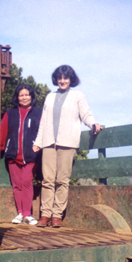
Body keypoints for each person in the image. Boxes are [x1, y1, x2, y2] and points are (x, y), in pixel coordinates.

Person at [33, 65, 102, 227]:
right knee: (47, 180)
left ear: (71, 79)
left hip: (67, 143)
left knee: (62, 180)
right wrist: (38, 142)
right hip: (49, 142)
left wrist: (92, 123)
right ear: (56, 79)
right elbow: (43, 122)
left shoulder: (77, 95)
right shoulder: (50, 96)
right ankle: (45, 215)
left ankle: (57, 215)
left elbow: (85, 113)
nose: (62, 81)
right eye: (60, 78)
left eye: (66, 78)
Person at [0, 84, 43, 225]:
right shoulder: (9, 113)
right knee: (17, 185)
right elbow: (3, 132)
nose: (24, 97)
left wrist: (40, 145)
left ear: (31, 97)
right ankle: (19, 213)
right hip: (13, 155)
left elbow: (43, 132)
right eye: (21, 95)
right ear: (17, 97)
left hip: (32, 155)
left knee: (26, 182)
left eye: (27, 95)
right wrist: (0, 149)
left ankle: (27, 214)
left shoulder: (38, 113)